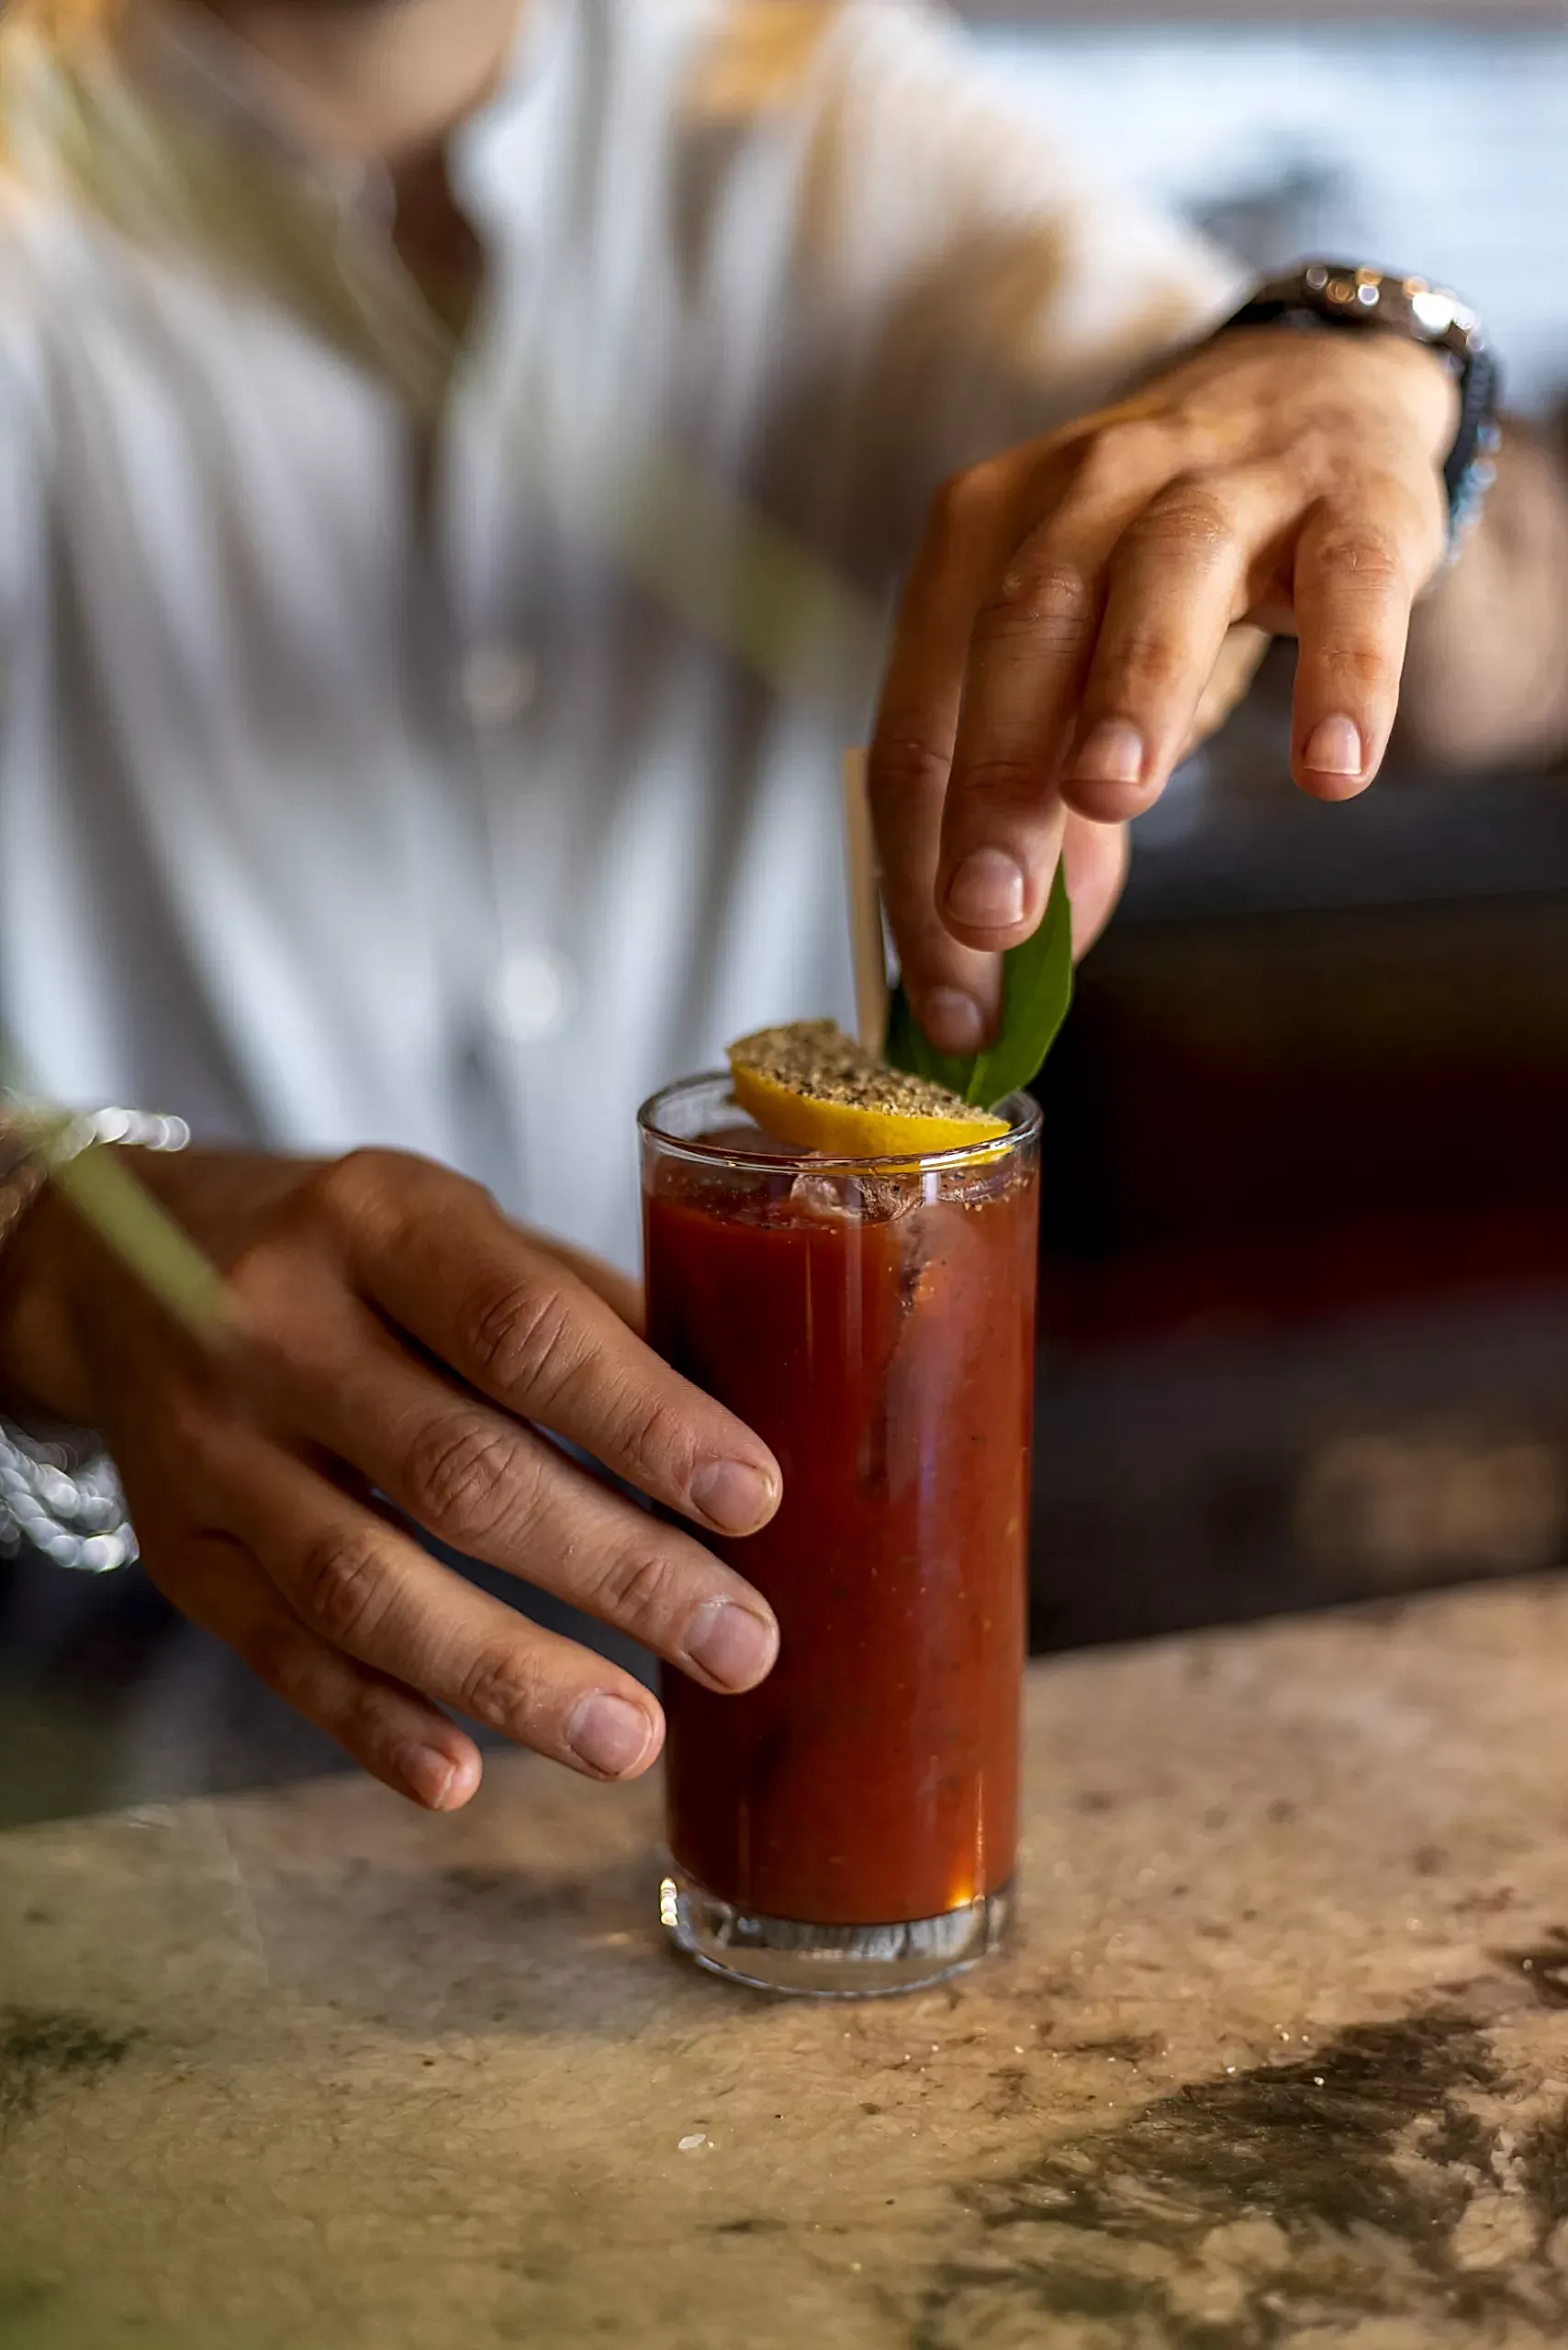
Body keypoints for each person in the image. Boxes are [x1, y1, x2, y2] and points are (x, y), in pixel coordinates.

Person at [1, 0, 1564, 1814]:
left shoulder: (813, 105)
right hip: (115, 1644)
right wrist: (57, 1251)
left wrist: (1366, 391)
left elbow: (1504, 645)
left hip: (790, 1558)